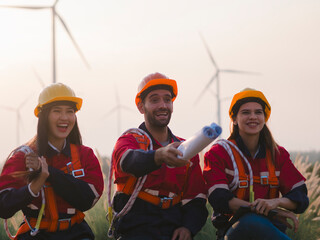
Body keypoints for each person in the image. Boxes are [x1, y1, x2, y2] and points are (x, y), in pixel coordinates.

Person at [108, 72, 208, 240]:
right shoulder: (128, 140)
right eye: (154, 100)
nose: (163, 105)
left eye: (167, 99)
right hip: (136, 227)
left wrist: (188, 227)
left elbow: (196, 197)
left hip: (173, 227)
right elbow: (128, 161)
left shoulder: (186, 149)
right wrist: (158, 156)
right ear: (141, 107)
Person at [0, 83, 104, 240]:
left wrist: (49, 173)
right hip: (35, 234)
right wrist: (33, 187)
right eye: (57, 111)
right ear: (43, 116)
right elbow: (3, 207)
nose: (64, 117)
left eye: (70, 111)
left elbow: (87, 200)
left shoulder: (85, 155)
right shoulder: (22, 157)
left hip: (77, 233)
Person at [203, 88, 309, 240]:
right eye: (246, 112)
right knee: (251, 222)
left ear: (265, 118)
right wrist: (273, 211)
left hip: (271, 230)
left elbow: (301, 198)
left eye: (258, 112)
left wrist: (276, 202)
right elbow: (220, 199)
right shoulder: (218, 153)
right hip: (235, 230)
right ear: (234, 119)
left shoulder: (278, 155)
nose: (253, 117)